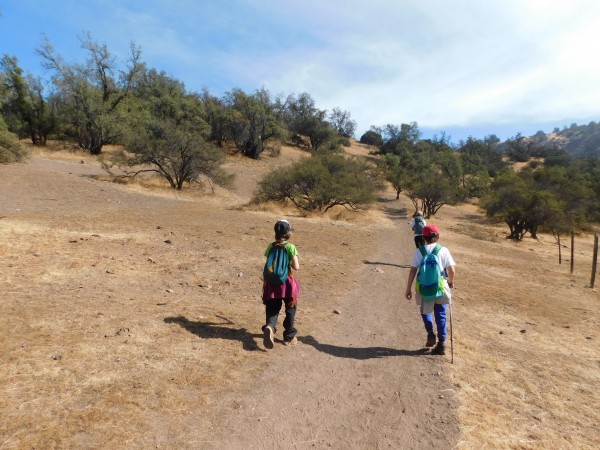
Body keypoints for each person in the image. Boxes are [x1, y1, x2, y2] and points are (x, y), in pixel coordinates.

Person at [404, 224, 456, 355]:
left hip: (425, 288)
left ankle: (430, 333)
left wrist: (408, 288)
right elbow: (452, 270)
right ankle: (441, 344)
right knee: (441, 314)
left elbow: (413, 271)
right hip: (441, 287)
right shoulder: (443, 250)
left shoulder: (419, 251)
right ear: (437, 236)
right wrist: (450, 281)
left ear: (423, 237)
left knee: (425, 311)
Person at [262, 219, 300, 349]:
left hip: (272, 284)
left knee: (272, 308)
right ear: (288, 233)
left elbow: (270, 263)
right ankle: (289, 336)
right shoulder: (290, 247)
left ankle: (270, 326)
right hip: (286, 283)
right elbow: (296, 267)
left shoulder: (270, 246)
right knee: (290, 308)